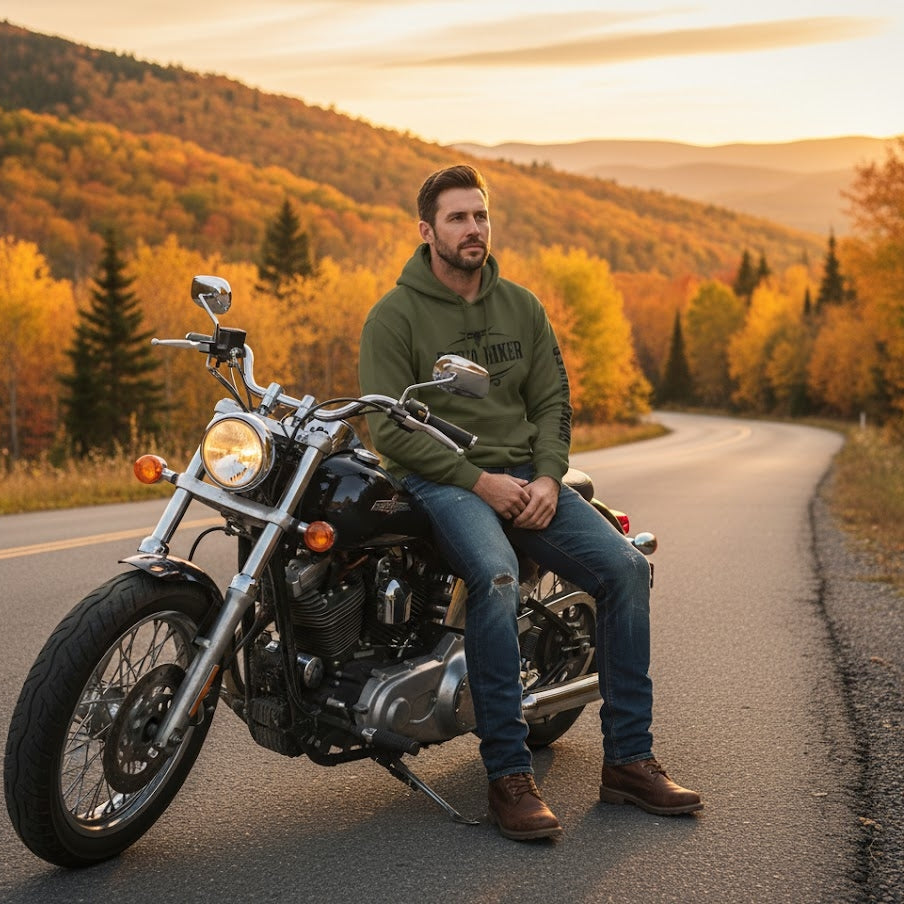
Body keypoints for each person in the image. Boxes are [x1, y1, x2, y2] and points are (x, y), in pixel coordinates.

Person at [358, 164, 701, 841]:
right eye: (457, 218)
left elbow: (551, 401)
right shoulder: (393, 316)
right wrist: (480, 482)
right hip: (447, 482)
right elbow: (390, 432)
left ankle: (630, 761)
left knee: (626, 568)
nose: (473, 229)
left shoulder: (522, 306)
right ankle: (509, 778)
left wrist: (547, 479)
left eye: (480, 216)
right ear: (426, 231)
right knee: (495, 576)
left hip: (528, 478)